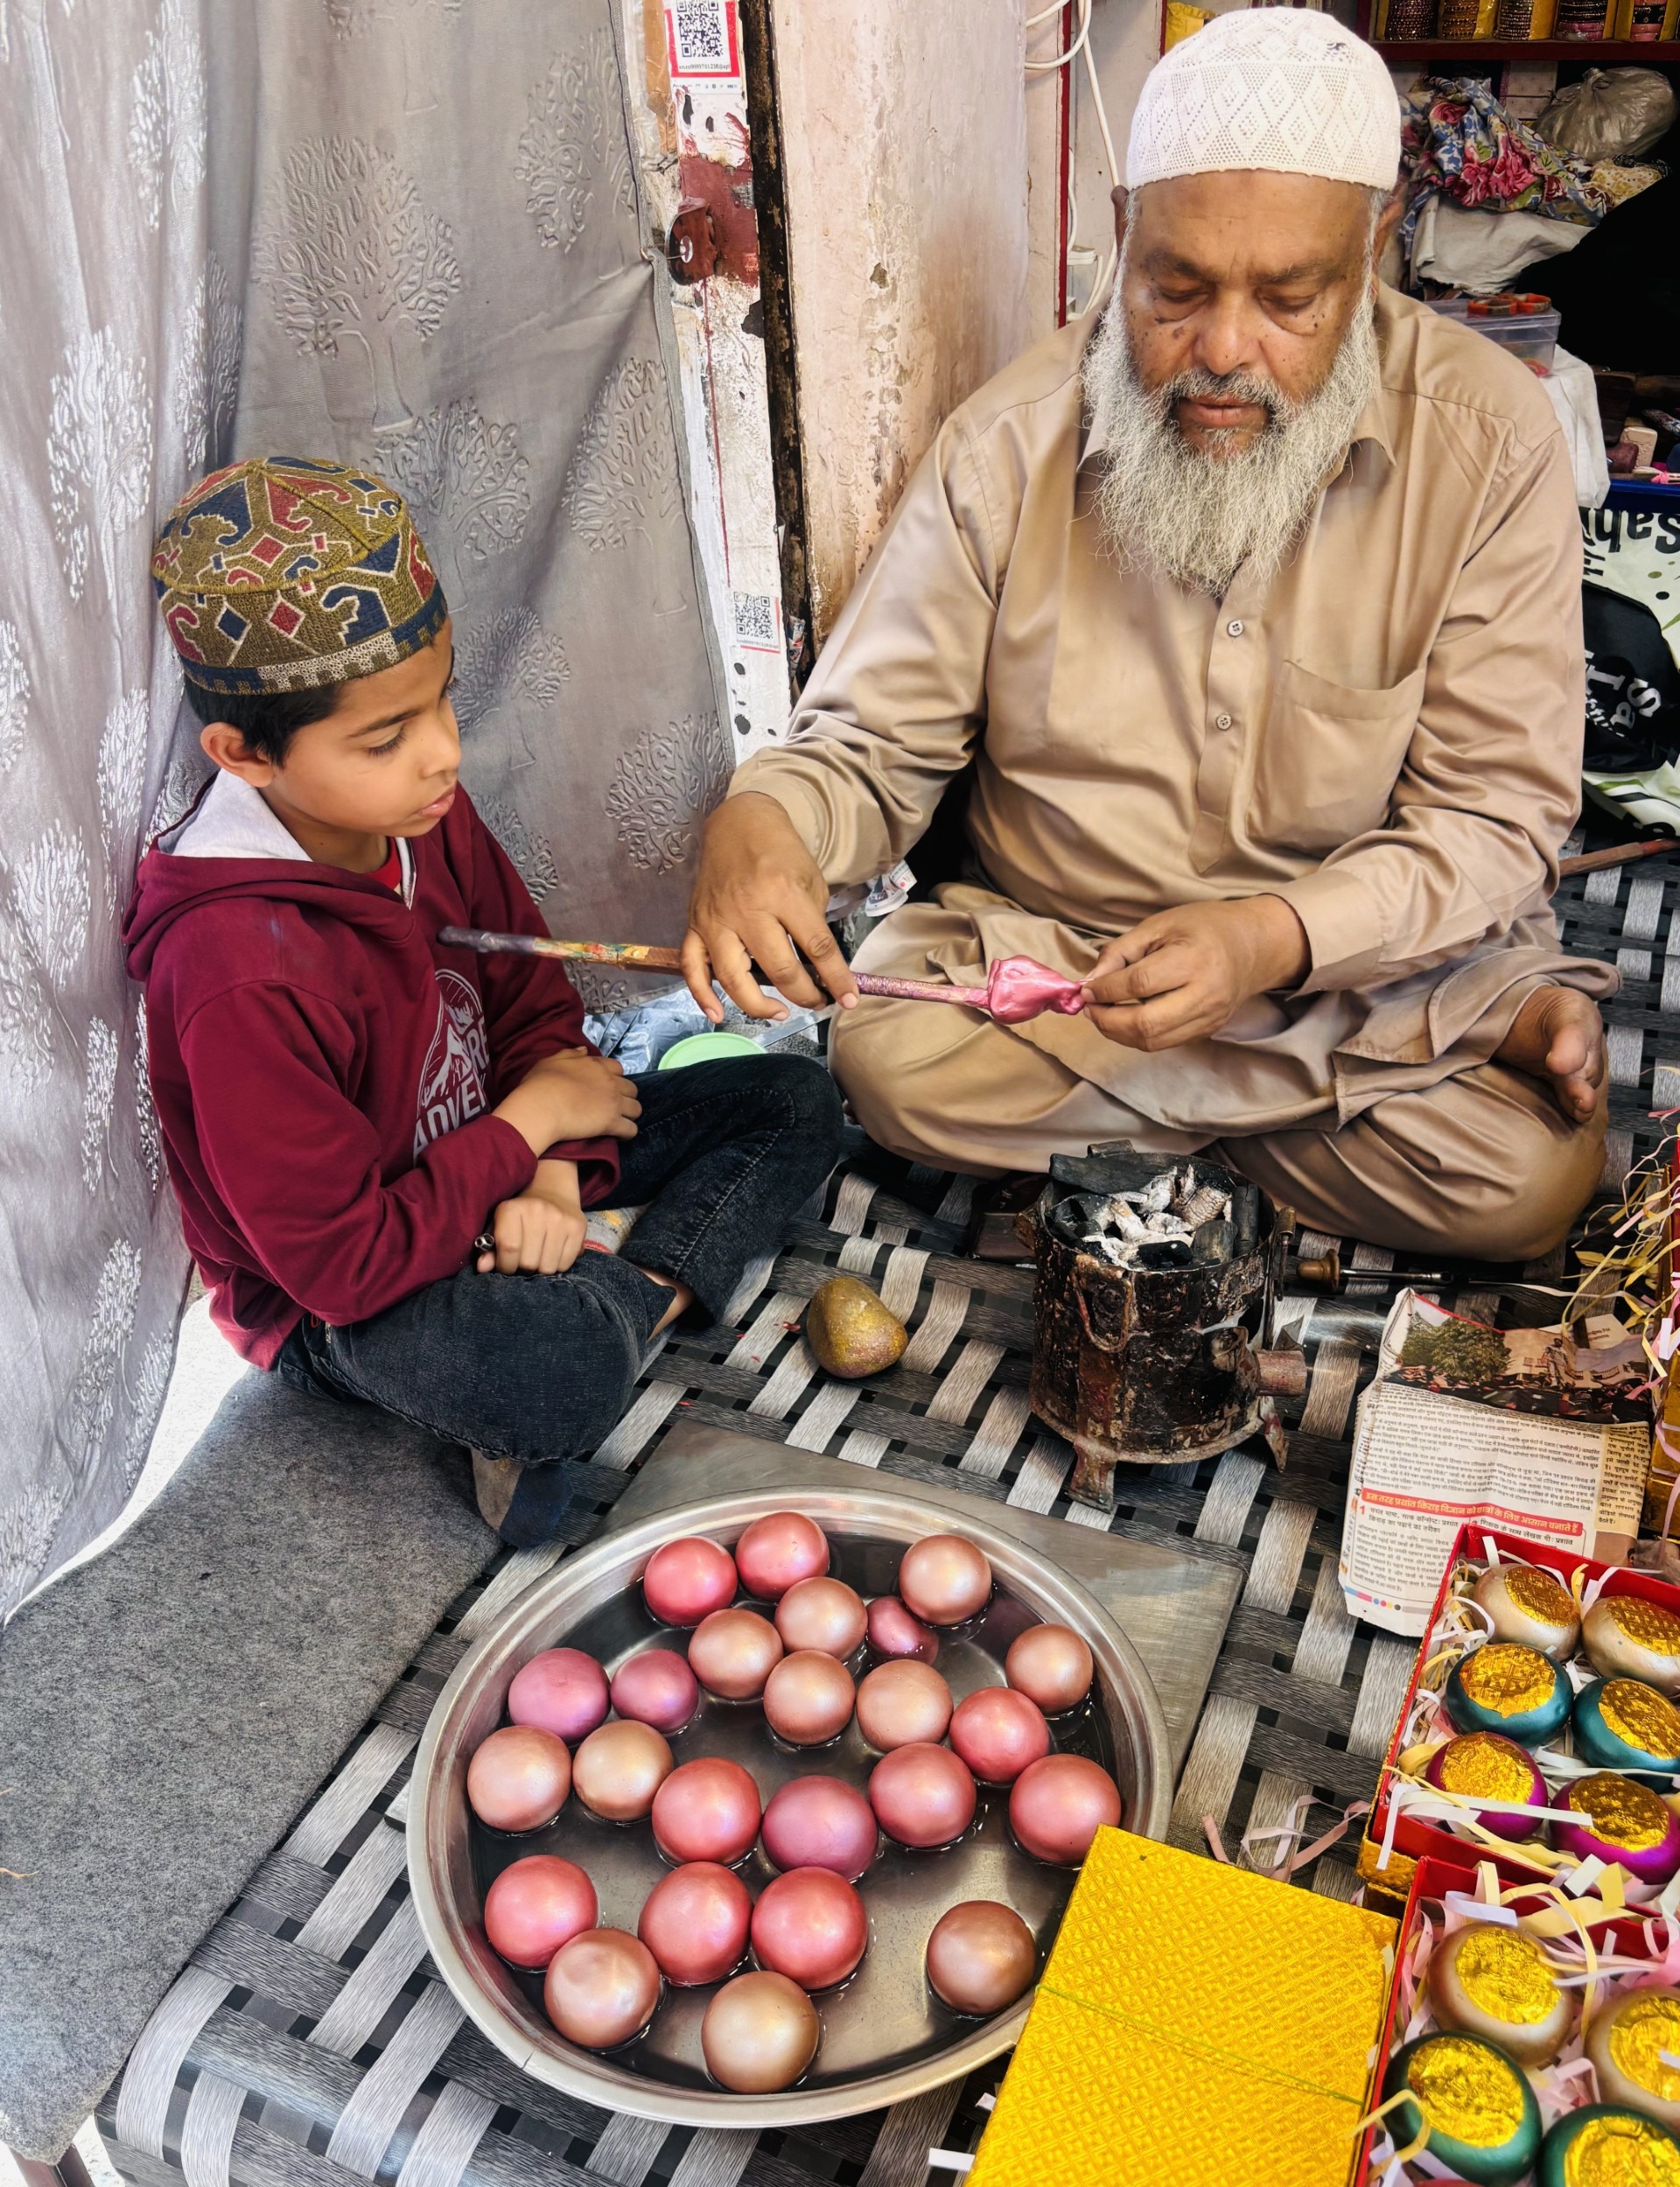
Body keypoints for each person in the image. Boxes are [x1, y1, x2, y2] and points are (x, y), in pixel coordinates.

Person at [682, 11, 1615, 1262]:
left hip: (1340, 956)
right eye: (1178, 288)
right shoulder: (1009, 445)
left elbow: (1492, 824)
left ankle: (1334, 1056)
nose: (1224, 351)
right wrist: (764, 824)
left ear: (1375, 249)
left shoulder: (1491, 441)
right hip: (1068, 964)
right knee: (887, 1058)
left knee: (1531, 1184)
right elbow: (868, 745)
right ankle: (1440, 1035)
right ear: (1125, 232)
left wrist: (1265, 945)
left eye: (1290, 297)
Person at [129, 458, 842, 1545]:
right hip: (345, 1299)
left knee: (796, 1098)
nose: (445, 754)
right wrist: (529, 1132)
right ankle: (604, 1314)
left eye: (442, 698)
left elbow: (532, 1004)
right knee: (557, 1366)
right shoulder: (235, 973)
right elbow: (339, 1264)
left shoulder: (418, 817)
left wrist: (549, 1172)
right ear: (242, 754)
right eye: (386, 738)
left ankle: (613, 1284)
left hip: (493, 1159)